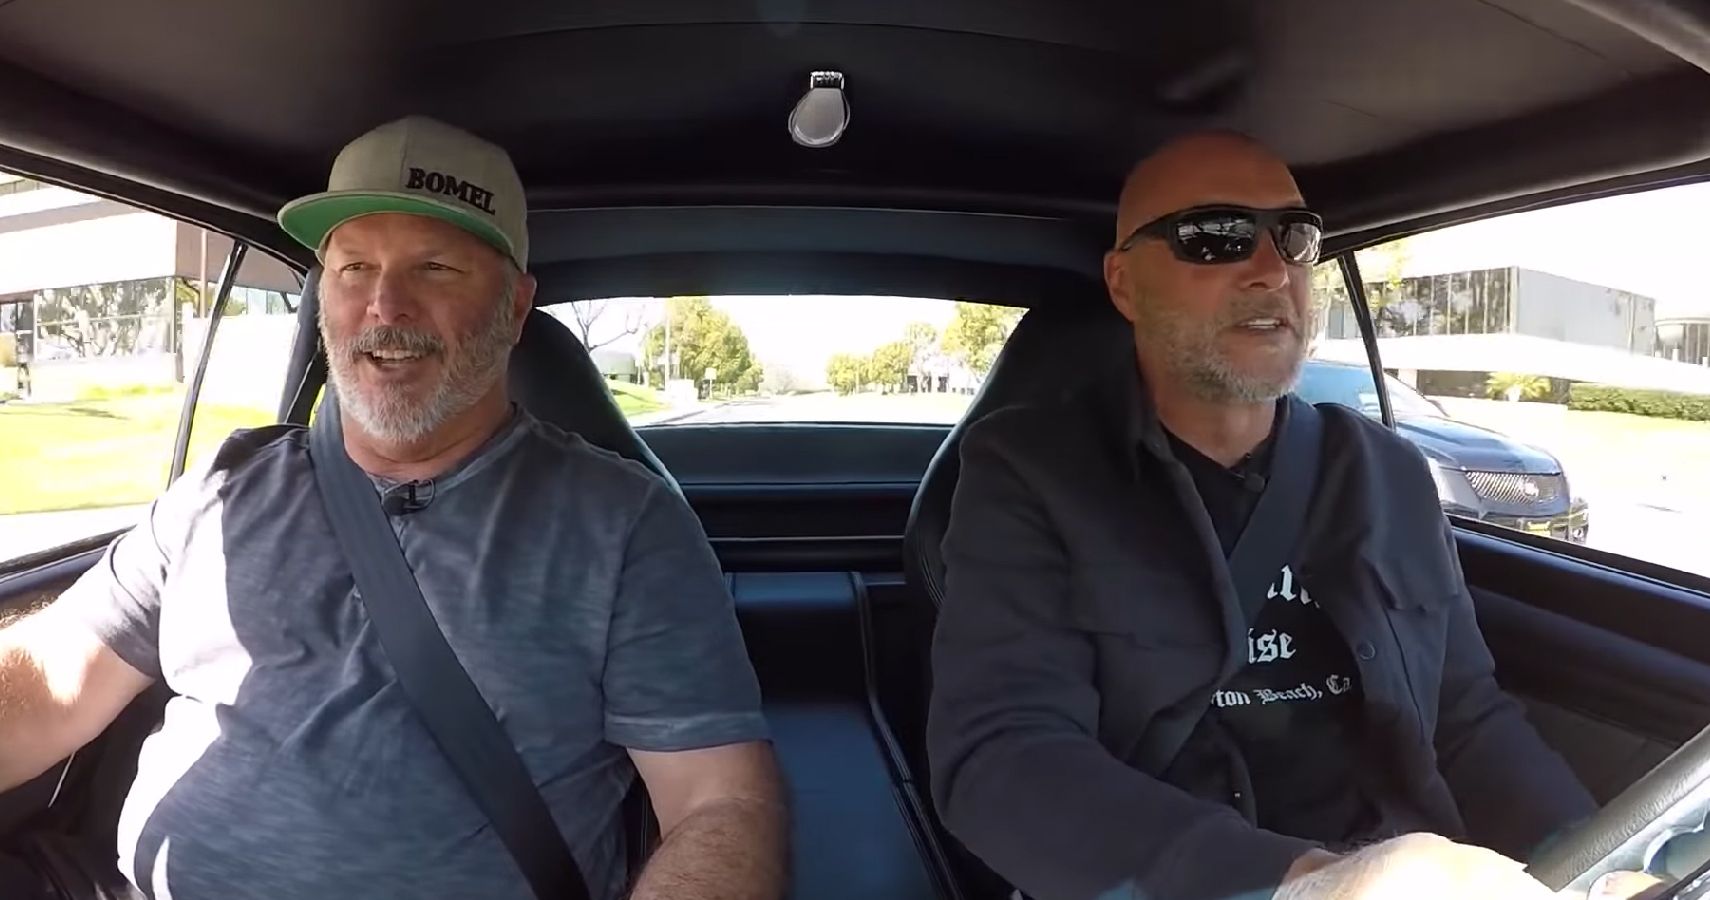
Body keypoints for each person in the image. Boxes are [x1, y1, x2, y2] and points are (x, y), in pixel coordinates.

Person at [0, 116, 787, 900]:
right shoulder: (224, 486)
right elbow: (52, 676)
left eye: (435, 267)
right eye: (353, 268)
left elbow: (721, 802)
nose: (384, 305)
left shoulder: (625, 525)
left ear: (515, 307)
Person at [925, 131, 1641, 900]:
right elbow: (1002, 757)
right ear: (1125, 283)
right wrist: (1307, 882)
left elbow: (1467, 718)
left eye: (1294, 238)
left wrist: (1590, 862)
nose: (1272, 271)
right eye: (1216, 239)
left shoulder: (1387, 473)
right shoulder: (1035, 473)